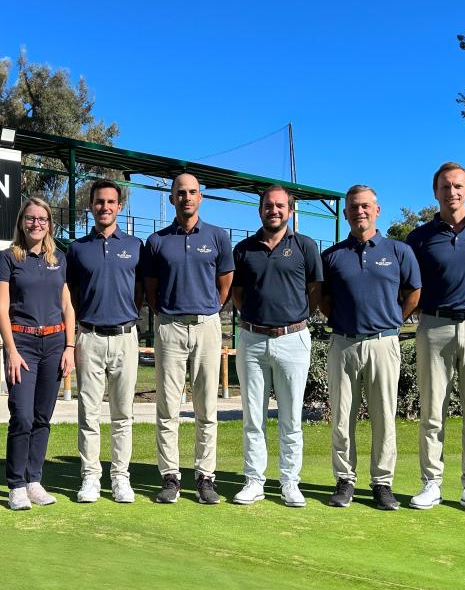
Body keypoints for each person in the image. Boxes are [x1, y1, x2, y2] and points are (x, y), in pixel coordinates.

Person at [407, 162, 465, 515]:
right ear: (436, 192)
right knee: (432, 411)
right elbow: (408, 282)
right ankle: (431, 482)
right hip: (435, 326)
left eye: (458, 186)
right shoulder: (418, 237)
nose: (452, 192)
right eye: (445, 187)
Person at [321, 185, 421, 510]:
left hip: (384, 343)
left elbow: (413, 292)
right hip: (344, 343)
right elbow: (322, 298)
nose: (359, 211)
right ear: (347, 212)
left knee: (383, 417)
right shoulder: (332, 256)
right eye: (353, 207)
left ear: (377, 211)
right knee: (341, 418)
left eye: (365, 206)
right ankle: (345, 480)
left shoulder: (398, 251)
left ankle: (382, 483)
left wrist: (393, 319)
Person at [144, 173, 234, 505]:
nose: (186, 197)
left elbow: (225, 283)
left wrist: (208, 310)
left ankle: (205, 476)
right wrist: (167, 313)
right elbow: (150, 290)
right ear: (172, 198)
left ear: (200, 197)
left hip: (207, 325)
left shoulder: (218, 237)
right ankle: (170, 477)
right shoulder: (157, 241)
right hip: (169, 326)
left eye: (192, 192)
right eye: (180, 192)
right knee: (168, 406)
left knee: (206, 406)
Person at [232, 185, 323, 507]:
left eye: (281, 206)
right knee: (253, 416)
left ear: (290, 210)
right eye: (269, 205)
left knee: (290, 416)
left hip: (293, 339)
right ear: (260, 210)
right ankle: (254, 480)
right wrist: (256, 320)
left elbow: (315, 290)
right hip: (252, 338)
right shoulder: (243, 249)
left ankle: (289, 482)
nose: (274, 210)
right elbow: (238, 293)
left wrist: (295, 320)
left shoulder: (305, 246)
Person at [66, 179, 144, 504]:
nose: (105, 207)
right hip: (90, 337)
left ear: (120, 207)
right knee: (89, 414)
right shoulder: (77, 248)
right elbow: (69, 294)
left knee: (123, 414)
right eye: (99, 202)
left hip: (126, 338)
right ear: (91, 206)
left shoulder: (136, 246)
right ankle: (90, 478)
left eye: (111, 202)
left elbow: (142, 292)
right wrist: (72, 340)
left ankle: (121, 479)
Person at [0, 197, 75, 510]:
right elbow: (2, 309)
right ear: (22, 222)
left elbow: (67, 305)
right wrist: (11, 351)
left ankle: (34, 481)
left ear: (49, 224)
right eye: (30, 218)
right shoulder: (8, 258)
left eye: (42, 219)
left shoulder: (59, 258)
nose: (36, 224)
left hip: (55, 344)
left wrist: (70, 347)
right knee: (23, 415)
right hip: (23, 344)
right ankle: (16, 484)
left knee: (43, 417)